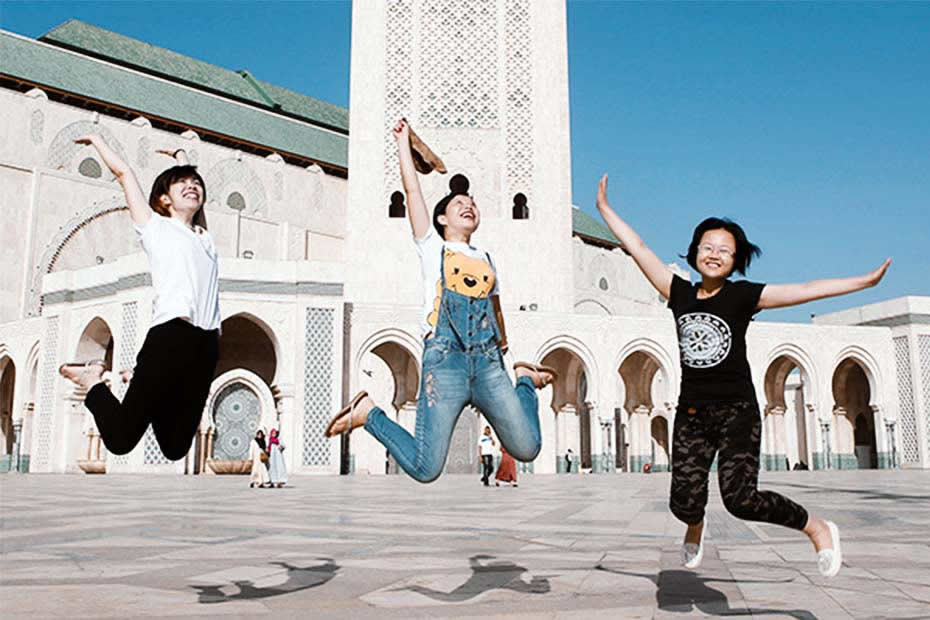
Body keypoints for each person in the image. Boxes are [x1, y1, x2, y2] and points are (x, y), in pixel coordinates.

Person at [594, 173, 890, 578]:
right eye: (707, 246)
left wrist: (864, 282)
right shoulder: (677, 292)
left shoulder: (744, 296)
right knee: (682, 502)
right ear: (695, 250)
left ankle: (816, 527)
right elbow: (639, 247)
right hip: (692, 414)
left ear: (736, 261)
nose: (714, 254)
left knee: (740, 500)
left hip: (737, 412)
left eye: (725, 251)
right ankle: (694, 525)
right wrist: (606, 211)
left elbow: (806, 288)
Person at [324, 118, 557, 483]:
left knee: (527, 447)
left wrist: (505, 350)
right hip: (444, 362)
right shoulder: (433, 248)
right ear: (441, 217)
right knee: (425, 467)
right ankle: (368, 413)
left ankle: (524, 378)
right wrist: (403, 143)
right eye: (459, 203)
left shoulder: (487, 259)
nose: (469, 206)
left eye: (472, 204)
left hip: (489, 363)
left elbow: (495, 310)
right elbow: (413, 191)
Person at [59, 135, 219, 461]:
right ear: (163, 199)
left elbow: (191, 189)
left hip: (206, 346)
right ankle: (93, 381)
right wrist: (97, 138)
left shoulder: (204, 238)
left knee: (175, 449)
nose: (192, 186)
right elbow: (124, 174)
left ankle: (145, 383)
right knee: (120, 440)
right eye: (182, 184)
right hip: (171, 337)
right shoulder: (154, 228)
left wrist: (180, 156)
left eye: (196, 183)